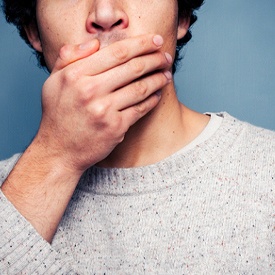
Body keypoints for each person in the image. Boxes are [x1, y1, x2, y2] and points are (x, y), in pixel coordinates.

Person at [0, 0, 274, 273]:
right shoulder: (9, 197)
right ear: (33, 30)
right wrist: (56, 155)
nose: (105, 15)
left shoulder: (267, 173)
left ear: (182, 16)